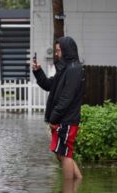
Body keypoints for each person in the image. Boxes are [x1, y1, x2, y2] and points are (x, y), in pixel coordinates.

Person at [32, 36, 83, 180]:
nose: (56, 54)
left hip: (67, 120)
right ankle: (77, 182)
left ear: (67, 50)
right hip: (61, 119)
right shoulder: (65, 69)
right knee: (60, 153)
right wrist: (38, 71)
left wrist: (53, 118)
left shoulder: (74, 70)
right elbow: (49, 85)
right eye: (56, 51)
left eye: (59, 51)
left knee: (65, 154)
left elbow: (66, 98)